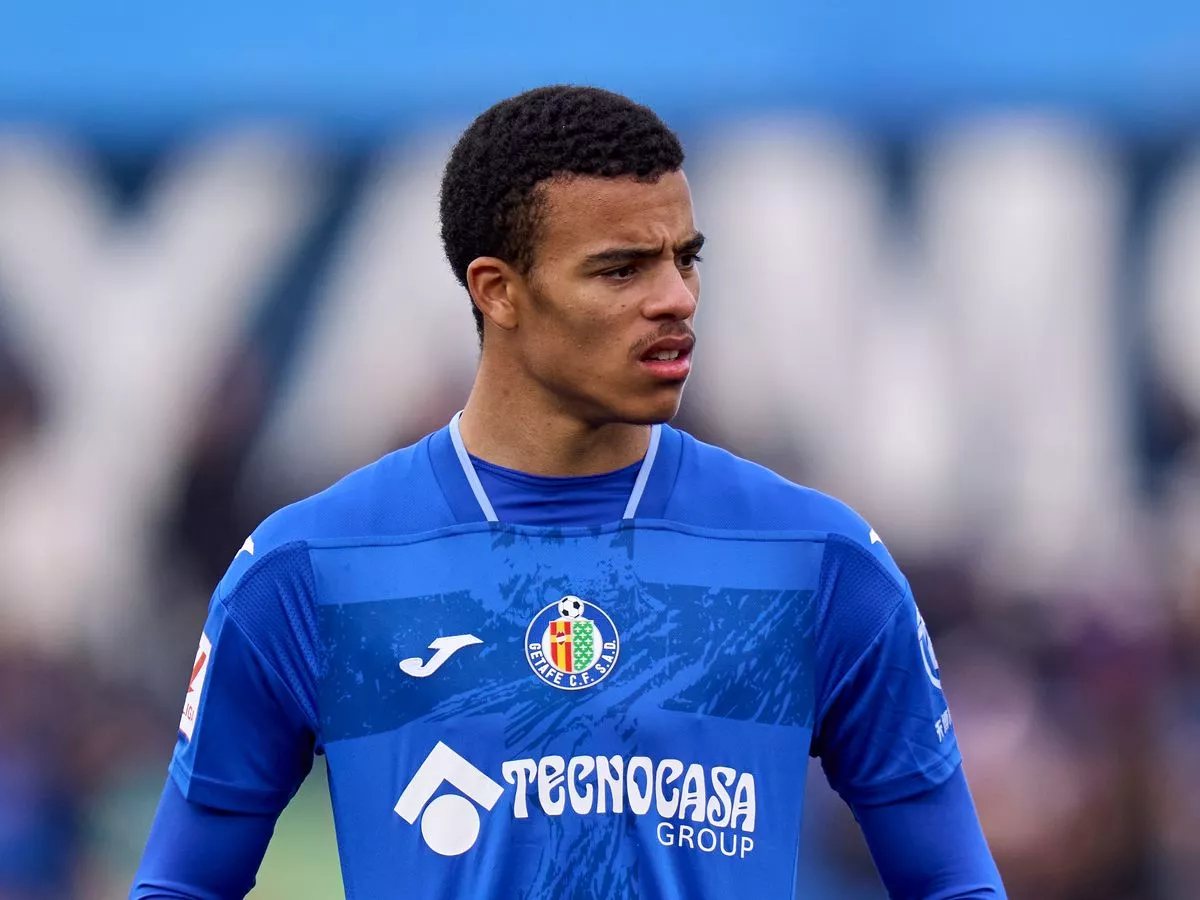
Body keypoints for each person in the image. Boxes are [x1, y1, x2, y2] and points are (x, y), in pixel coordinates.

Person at [131, 85, 1006, 899]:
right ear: (498, 292)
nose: (675, 299)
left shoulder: (815, 559)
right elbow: (181, 885)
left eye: (686, 259)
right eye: (622, 269)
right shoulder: (310, 570)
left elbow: (954, 882)